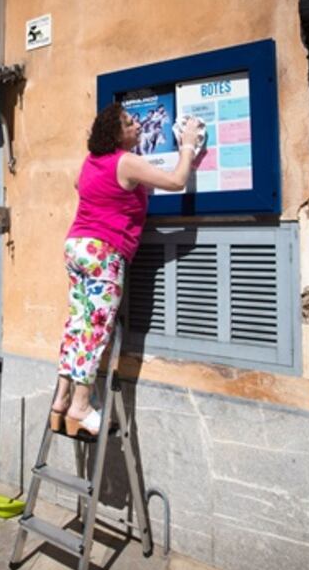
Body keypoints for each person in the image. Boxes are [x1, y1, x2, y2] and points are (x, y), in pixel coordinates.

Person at [50, 103, 205, 436]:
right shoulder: (127, 161)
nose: (138, 125)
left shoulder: (90, 162)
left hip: (77, 245)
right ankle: (80, 405)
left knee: (77, 323)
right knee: (96, 328)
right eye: (129, 122)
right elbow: (177, 181)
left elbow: (80, 187)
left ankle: (60, 401)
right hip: (103, 251)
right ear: (115, 134)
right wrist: (189, 143)